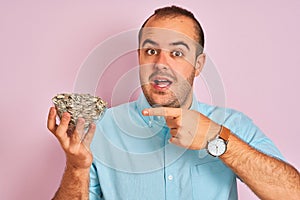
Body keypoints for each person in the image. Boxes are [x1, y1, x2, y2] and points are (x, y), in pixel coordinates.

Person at [47, 5, 300, 200]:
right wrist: (77, 168)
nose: (161, 64)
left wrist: (217, 139)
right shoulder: (99, 129)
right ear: (139, 57)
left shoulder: (232, 124)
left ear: (198, 65)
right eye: (151, 51)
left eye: (177, 53)